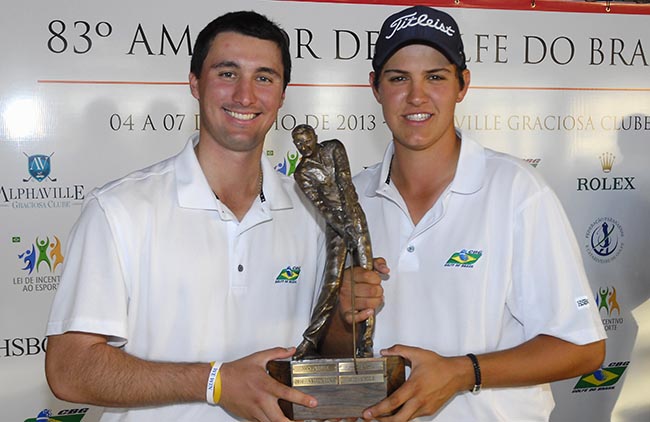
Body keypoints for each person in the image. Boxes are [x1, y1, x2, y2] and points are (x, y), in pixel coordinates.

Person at [44, 11, 381, 421]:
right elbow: (69, 371)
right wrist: (215, 382)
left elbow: (323, 356)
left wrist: (347, 316)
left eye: (264, 77)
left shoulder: (310, 215)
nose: (245, 95)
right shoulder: (119, 210)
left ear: (282, 94)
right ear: (194, 82)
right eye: (227, 73)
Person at [346, 5, 607, 421]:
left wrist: (461, 373)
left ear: (462, 85)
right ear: (375, 87)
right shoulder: (351, 199)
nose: (416, 96)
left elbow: (584, 347)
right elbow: (329, 352)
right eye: (399, 78)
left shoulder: (517, 190)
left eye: (435, 77)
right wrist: (344, 315)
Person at [291, 124, 374, 359]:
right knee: (331, 284)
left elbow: (345, 183)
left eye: (307, 141)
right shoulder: (302, 173)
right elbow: (321, 206)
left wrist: (351, 223)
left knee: (366, 280)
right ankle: (310, 341)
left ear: (315, 137)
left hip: (354, 218)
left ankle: (365, 343)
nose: (303, 147)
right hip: (335, 227)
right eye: (299, 144)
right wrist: (341, 227)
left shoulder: (334, 148)